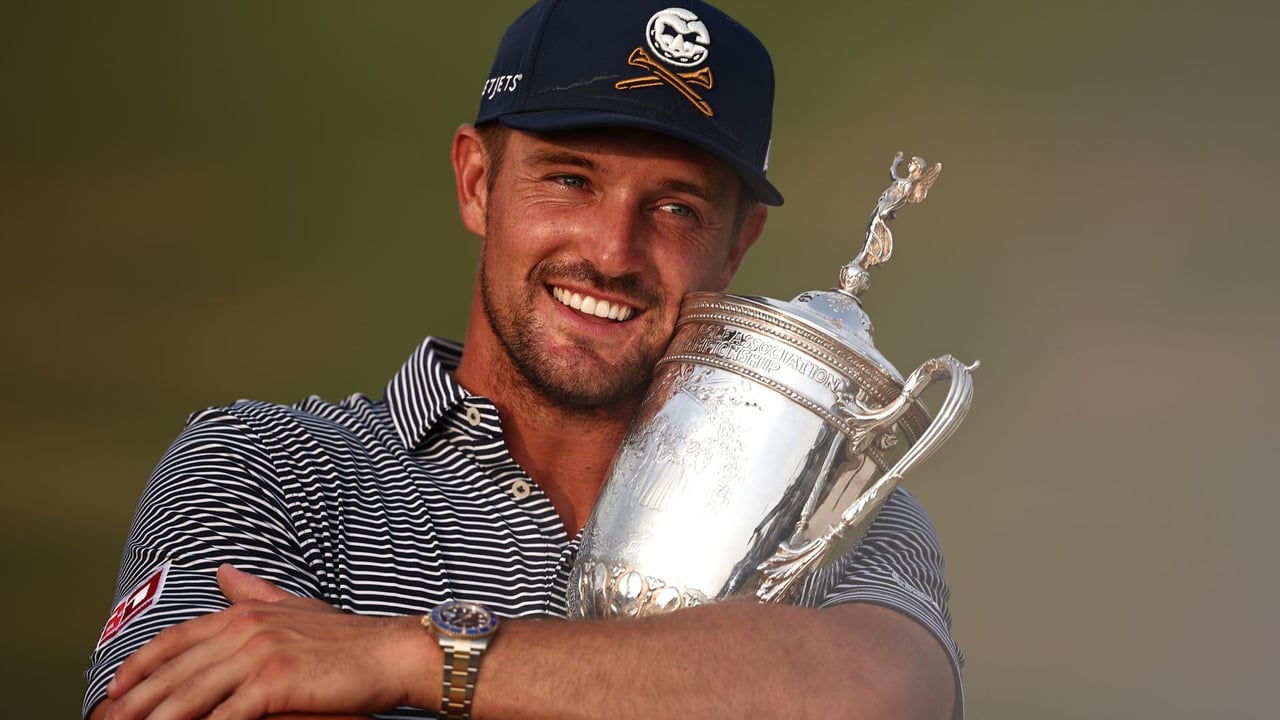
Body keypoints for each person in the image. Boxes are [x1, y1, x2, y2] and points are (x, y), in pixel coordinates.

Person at [85, 1, 964, 718]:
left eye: (676, 209)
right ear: (477, 183)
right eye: (570, 180)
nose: (612, 252)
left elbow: (880, 693)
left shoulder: (830, 515)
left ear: (738, 246)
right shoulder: (264, 466)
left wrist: (408, 657)